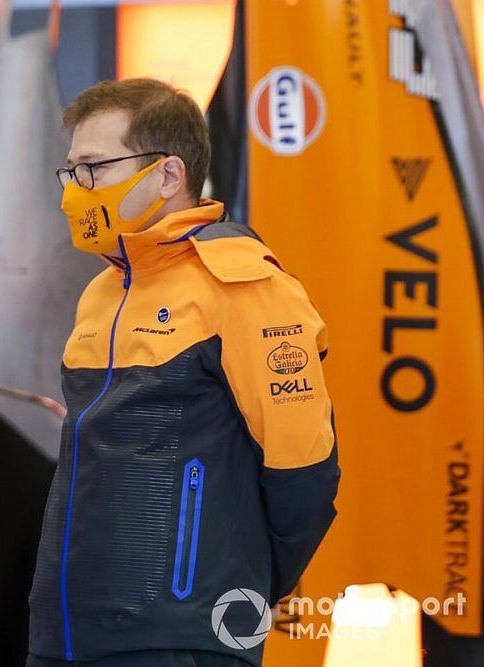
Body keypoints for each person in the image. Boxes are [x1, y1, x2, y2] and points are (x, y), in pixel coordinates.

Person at [27, 79, 340, 667]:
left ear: (168, 176)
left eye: (93, 168)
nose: (74, 191)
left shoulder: (247, 287)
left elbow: (306, 476)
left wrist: (237, 587)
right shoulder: (101, 291)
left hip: (184, 636)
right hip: (64, 633)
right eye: (70, 172)